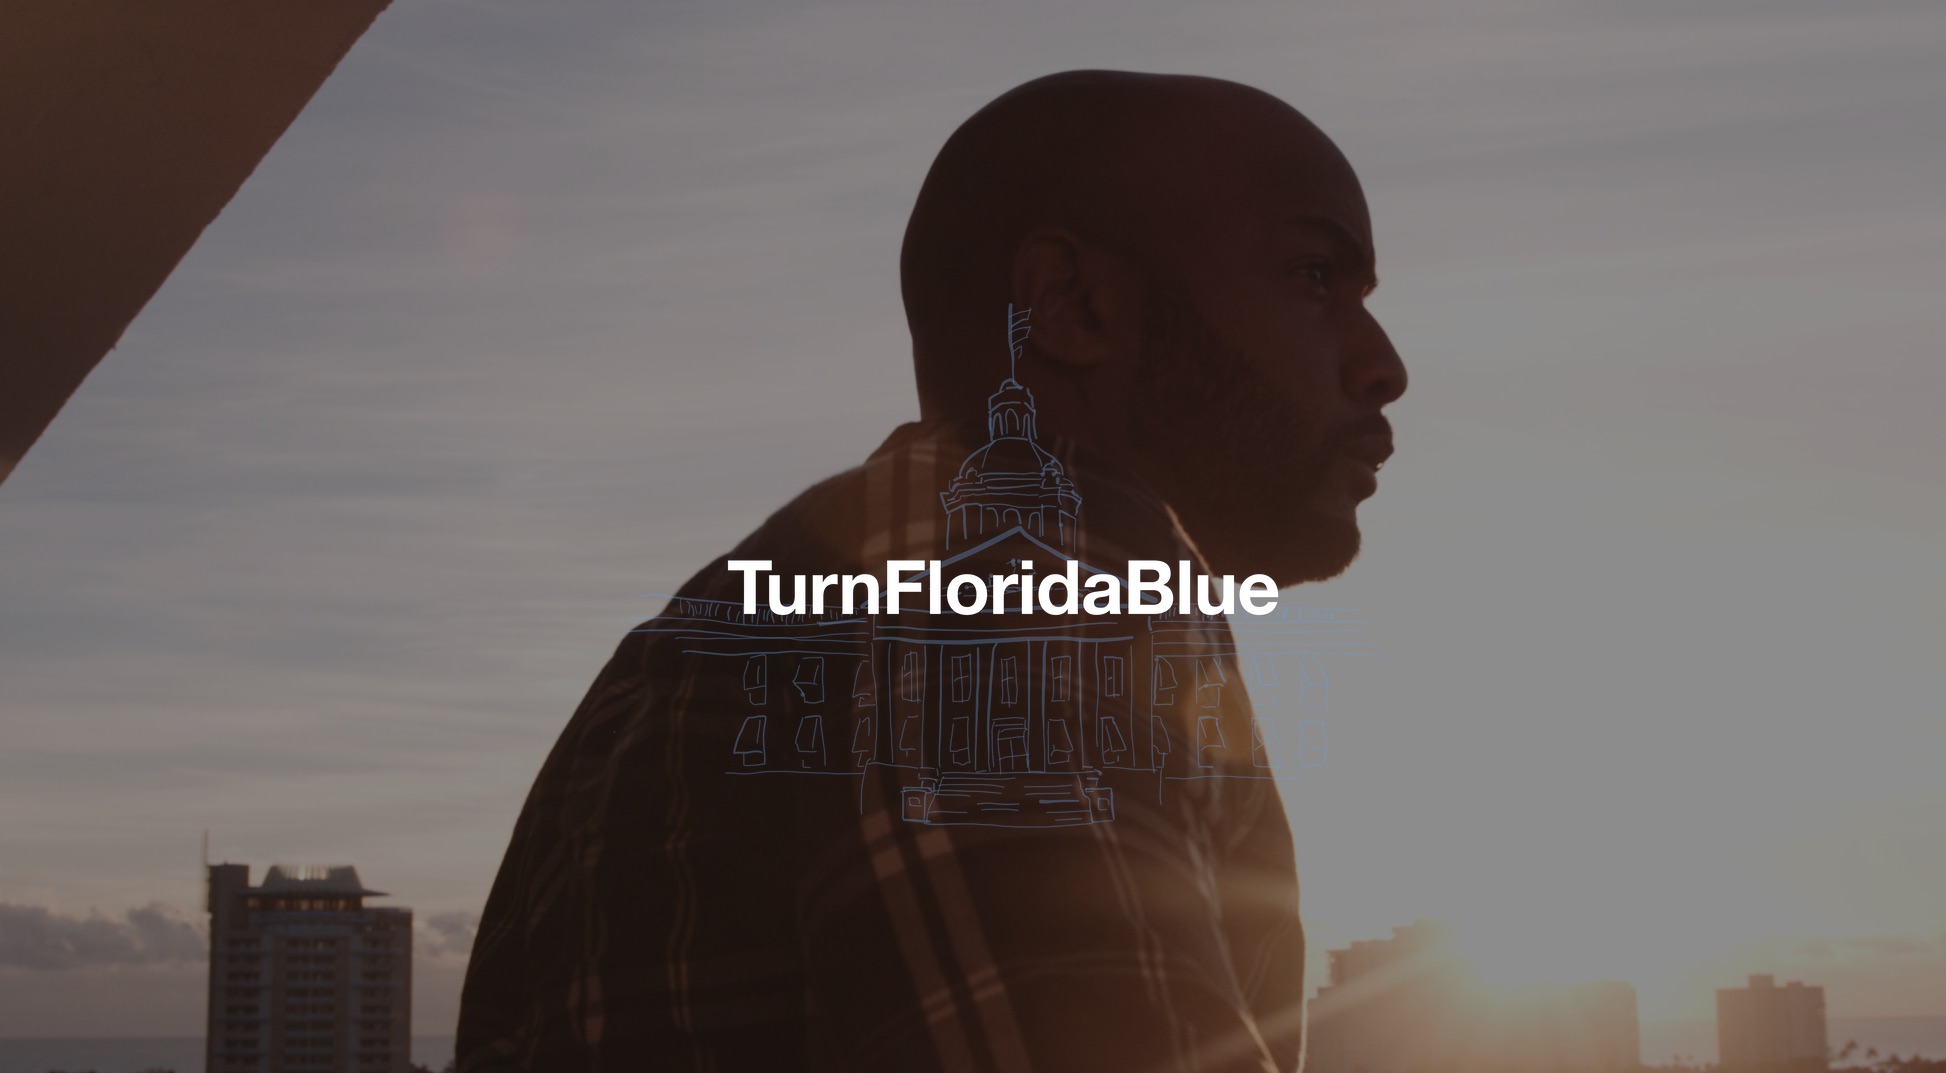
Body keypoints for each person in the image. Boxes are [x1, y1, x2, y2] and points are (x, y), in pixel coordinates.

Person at [456, 69, 1404, 1073]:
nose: (1381, 362)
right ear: (1073, 304)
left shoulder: (754, 615)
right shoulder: (1011, 560)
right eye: (1313, 276)